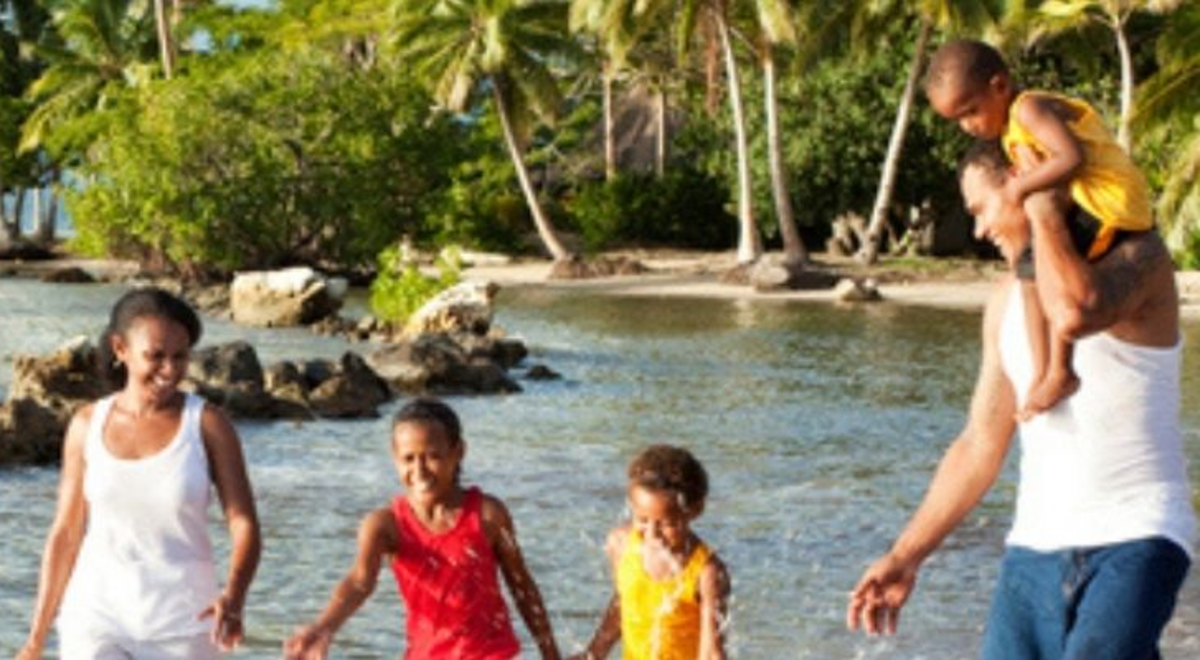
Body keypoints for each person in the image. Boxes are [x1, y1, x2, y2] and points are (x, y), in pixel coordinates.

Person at [846, 141, 1195, 658]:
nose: (981, 229)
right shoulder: (1003, 303)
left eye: (982, 209)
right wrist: (905, 555)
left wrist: (1043, 207)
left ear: (1021, 179)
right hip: (1033, 547)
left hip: (1138, 531)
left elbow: (1076, 310)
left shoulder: (1139, 259)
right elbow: (980, 443)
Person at [18, 287, 262, 659]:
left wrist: (234, 595)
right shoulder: (86, 424)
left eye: (180, 357)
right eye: (156, 356)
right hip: (95, 615)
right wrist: (35, 640)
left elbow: (243, 523)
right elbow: (66, 532)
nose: (169, 370)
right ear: (121, 349)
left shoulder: (208, 425)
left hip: (183, 621)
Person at [923, 38, 1155, 420]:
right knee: (1028, 272)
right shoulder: (1012, 126)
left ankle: (1061, 371)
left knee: (1051, 273)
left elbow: (1072, 158)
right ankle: (1043, 368)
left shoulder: (1028, 109)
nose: (968, 127)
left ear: (999, 86)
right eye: (958, 120)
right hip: (1094, 202)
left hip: (1108, 203)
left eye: (971, 112)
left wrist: (1020, 187)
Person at [283, 397, 561, 659]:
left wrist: (552, 655)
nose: (419, 470)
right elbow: (359, 582)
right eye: (408, 458)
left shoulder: (487, 515)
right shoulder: (385, 525)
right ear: (394, 457)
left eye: (432, 456)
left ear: (458, 452)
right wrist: (324, 626)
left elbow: (523, 587)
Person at [572, 444, 730, 660]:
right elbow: (623, 603)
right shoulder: (621, 543)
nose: (653, 535)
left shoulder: (706, 572)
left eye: (668, 524)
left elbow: (711, 652)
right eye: (643, 520)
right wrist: (594, 653)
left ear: (695, 510)